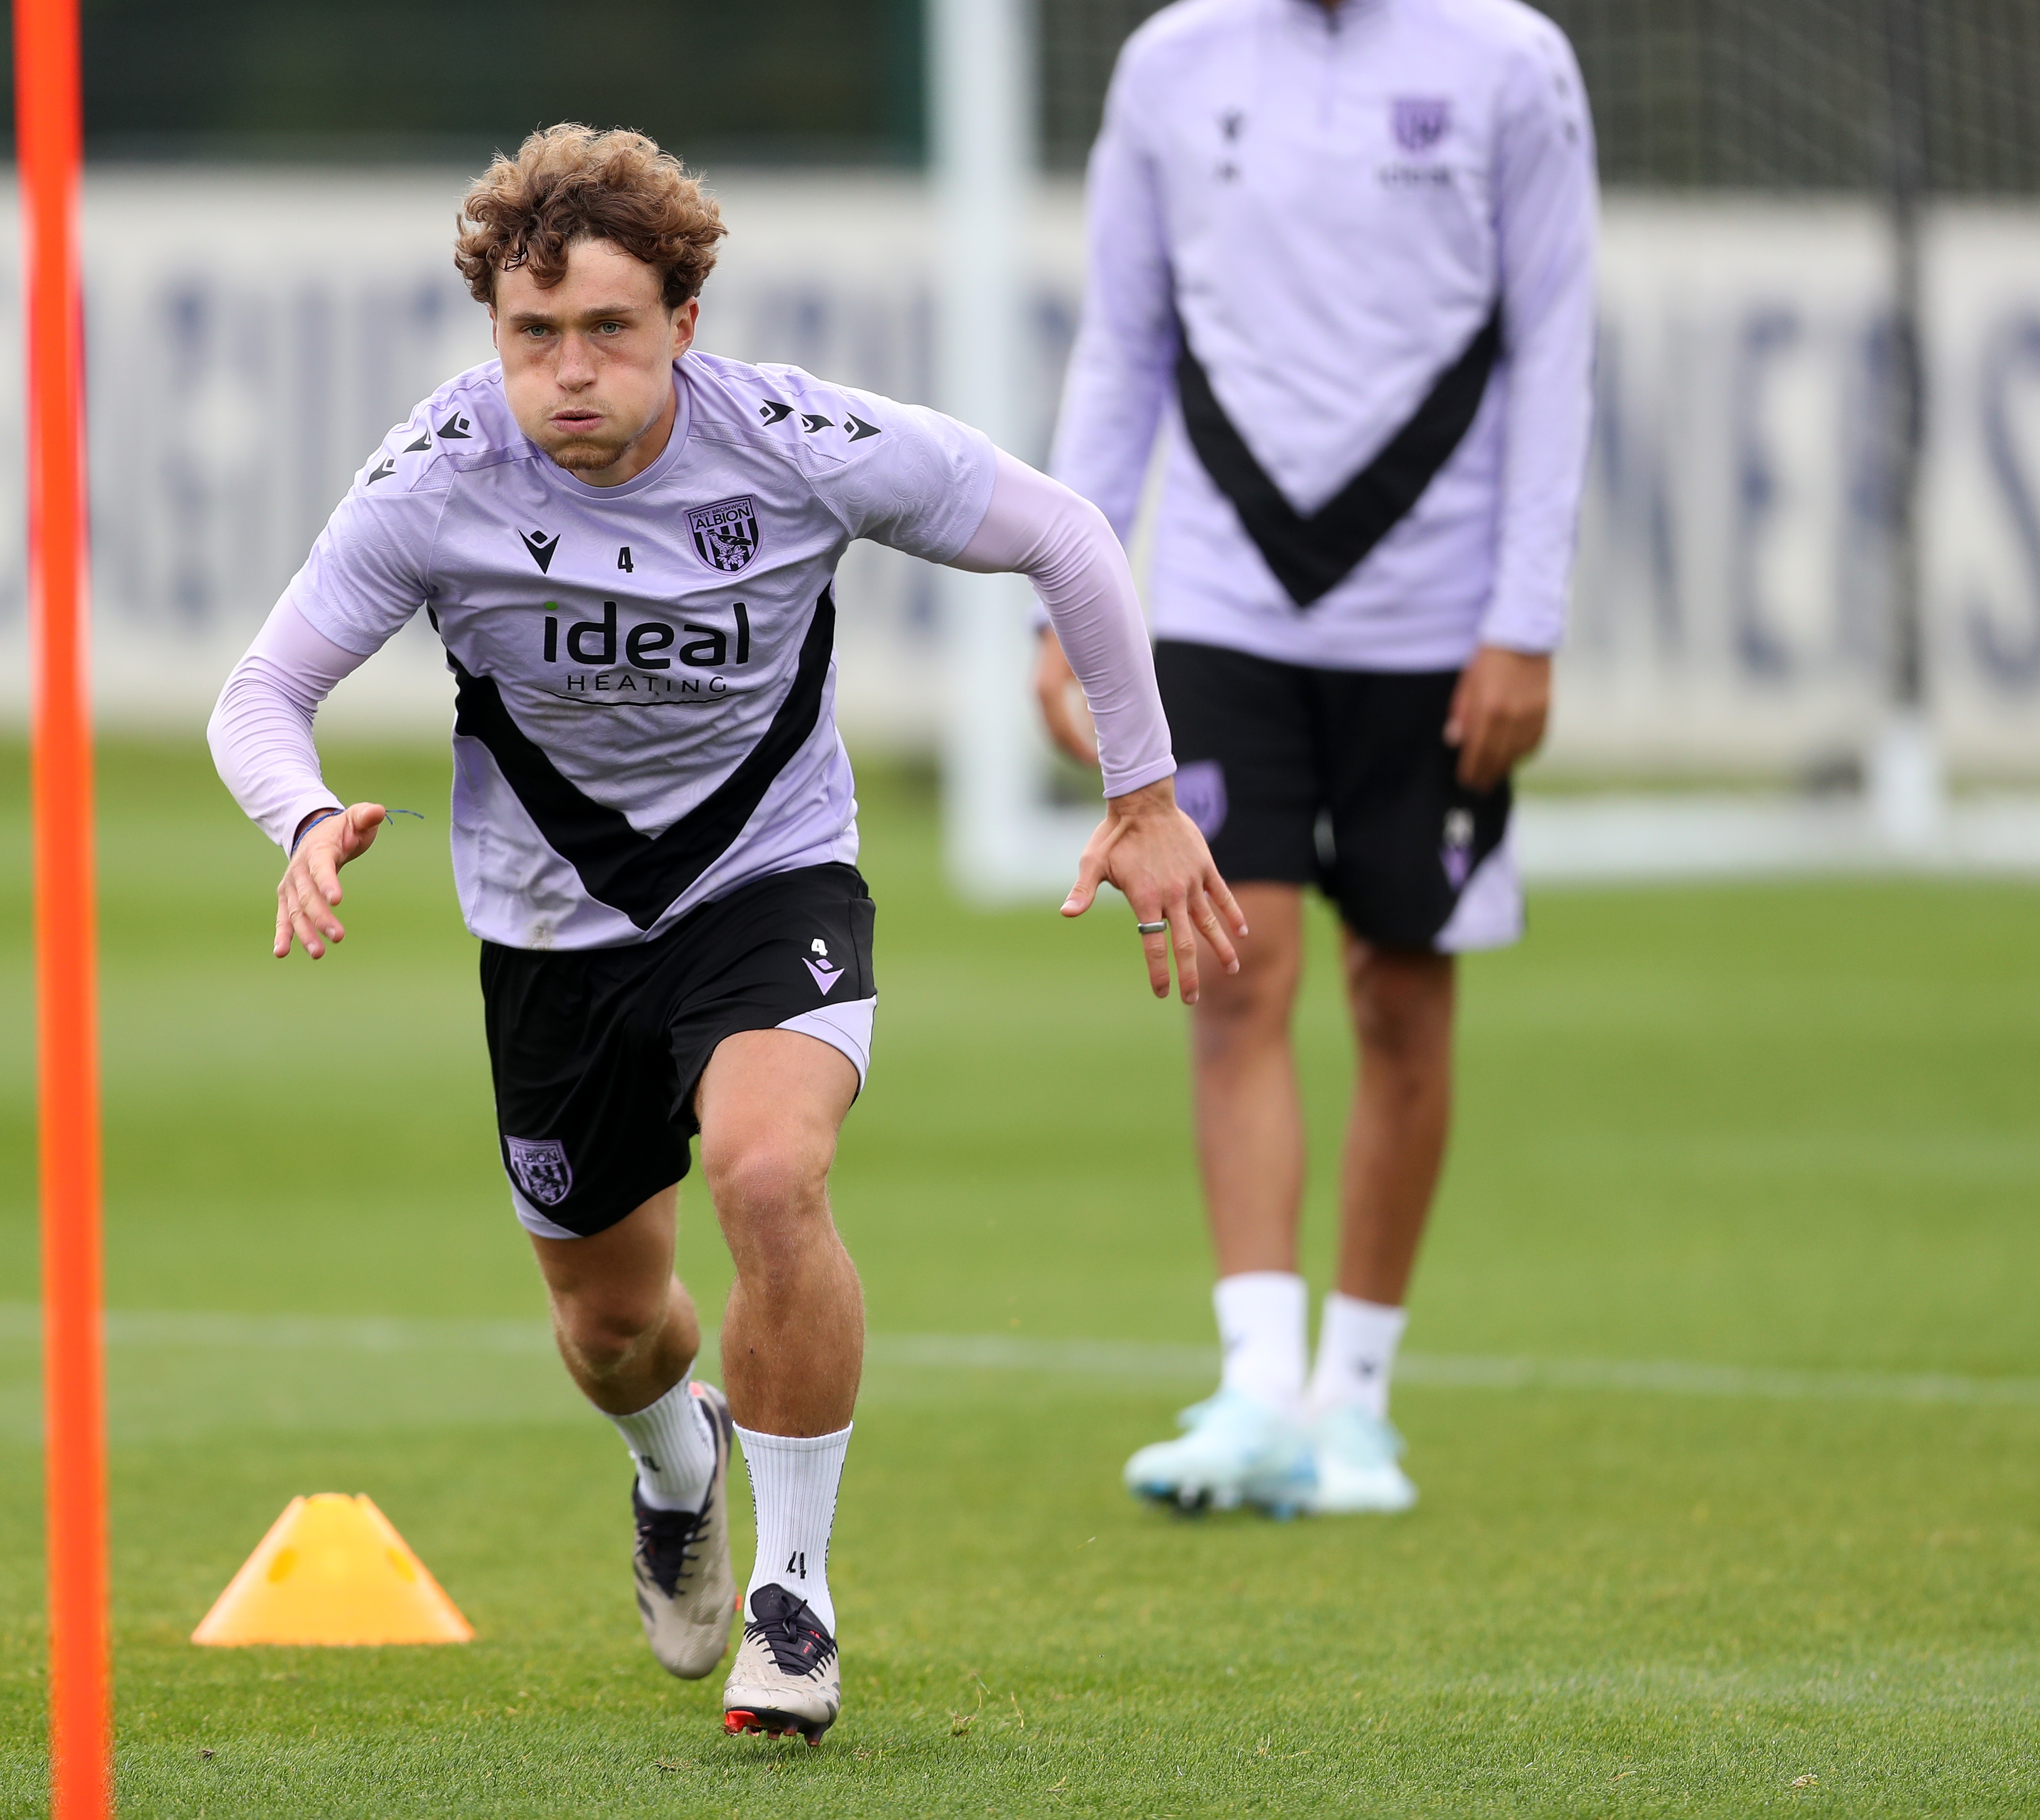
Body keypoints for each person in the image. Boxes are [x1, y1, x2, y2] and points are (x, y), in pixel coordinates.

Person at [211, 124, 1241, 1741]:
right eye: (531, 335)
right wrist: (300, 818)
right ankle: (673, 1461)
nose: (568, 371)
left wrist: (1143, 789)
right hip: (551, 939)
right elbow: (262, 692)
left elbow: (1064, 532)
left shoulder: (795, 441)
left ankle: (796, 1600)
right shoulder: (436, 476)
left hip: (770, 885)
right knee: (611, 1331)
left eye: (608, 330)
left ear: (684, 322)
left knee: (770, 1173)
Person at [1037, 0, 1597, 1516]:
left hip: (1441, 631)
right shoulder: (1169, 63)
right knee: (1234, 968)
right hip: (1223, 612)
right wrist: (1067, 616)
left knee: (1399, 995)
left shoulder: (1508, 61)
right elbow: (1123, 343)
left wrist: (1523, 624)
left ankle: (1355, 1400)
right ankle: (1254, 1385)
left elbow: (1553, 342)